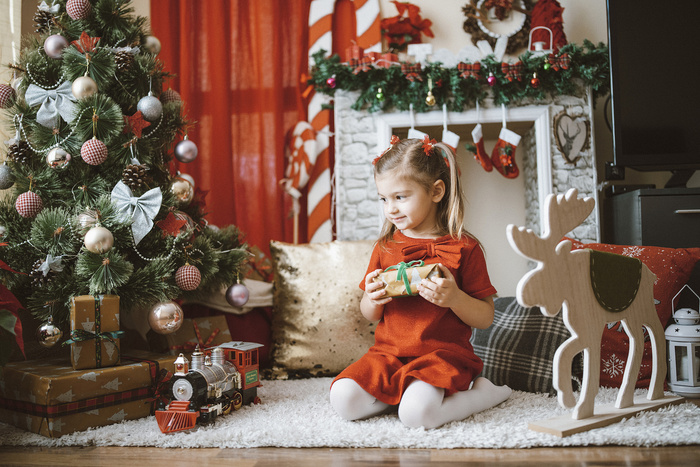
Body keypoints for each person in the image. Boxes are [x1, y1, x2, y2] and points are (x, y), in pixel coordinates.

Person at [329, 136, 511, 429]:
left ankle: (485, 394)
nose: (391, 209)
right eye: (383, 199)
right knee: (343, 399)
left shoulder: (465, 248)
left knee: (417, 416)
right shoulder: (385, 246)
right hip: (389, 356)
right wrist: (372, 300)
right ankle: (403, 396)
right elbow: (369, 314)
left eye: (400, 197)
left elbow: (486, 317)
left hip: (441, 357)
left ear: (436, 191)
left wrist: (455, 299)